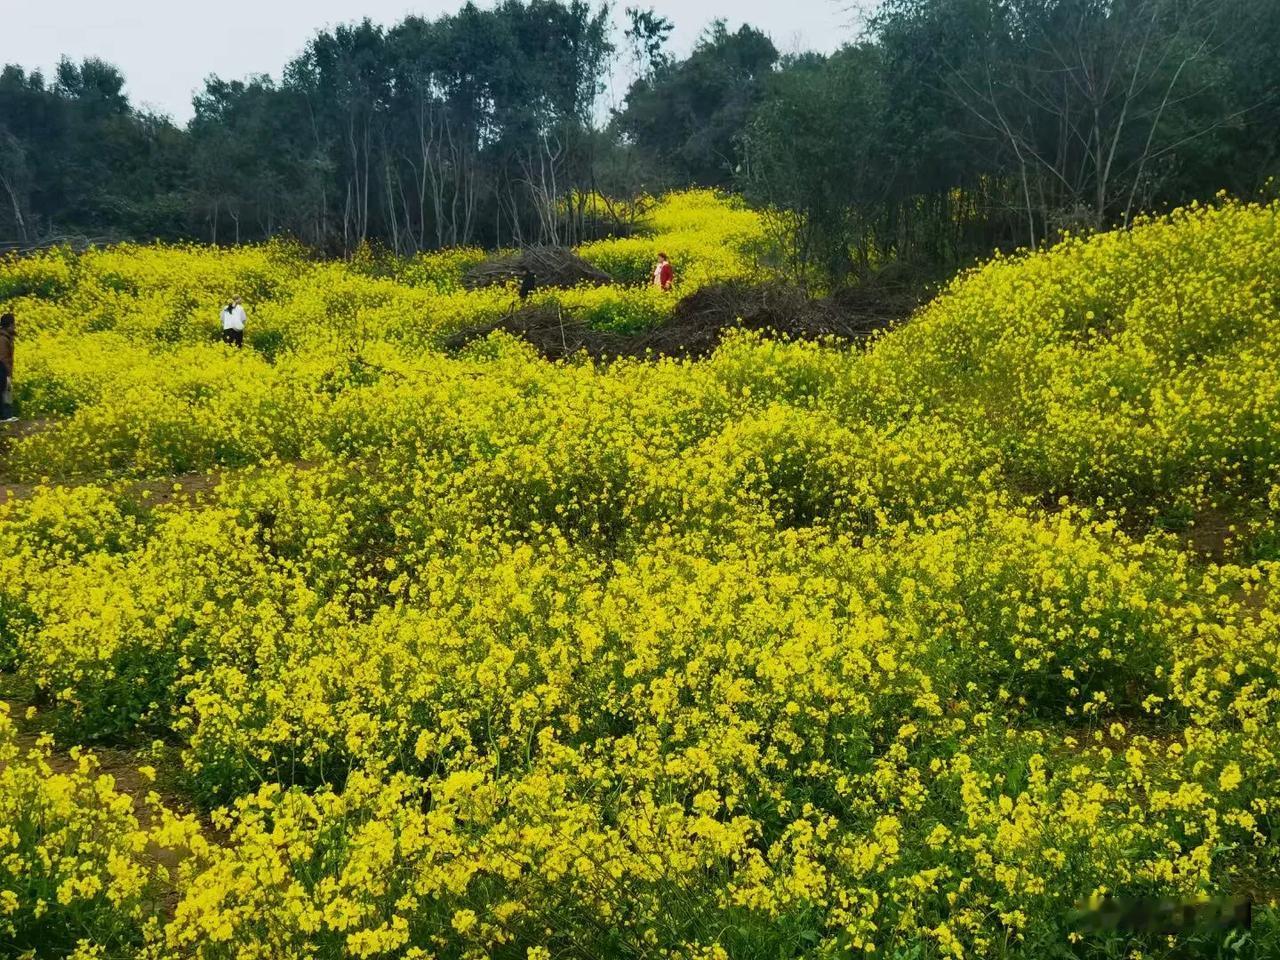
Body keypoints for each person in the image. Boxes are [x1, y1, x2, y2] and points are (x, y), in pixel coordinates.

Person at [0, 313, 15, 423]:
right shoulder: (3, 339)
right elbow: (3, 357)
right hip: (3, 370)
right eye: (14, 324)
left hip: (5, 370)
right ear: (9, 325)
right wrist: (6, 373)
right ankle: (5, 416)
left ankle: (8, 415)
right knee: (5, 392)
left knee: (7, 392)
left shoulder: (7, 337)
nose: (15, 326)